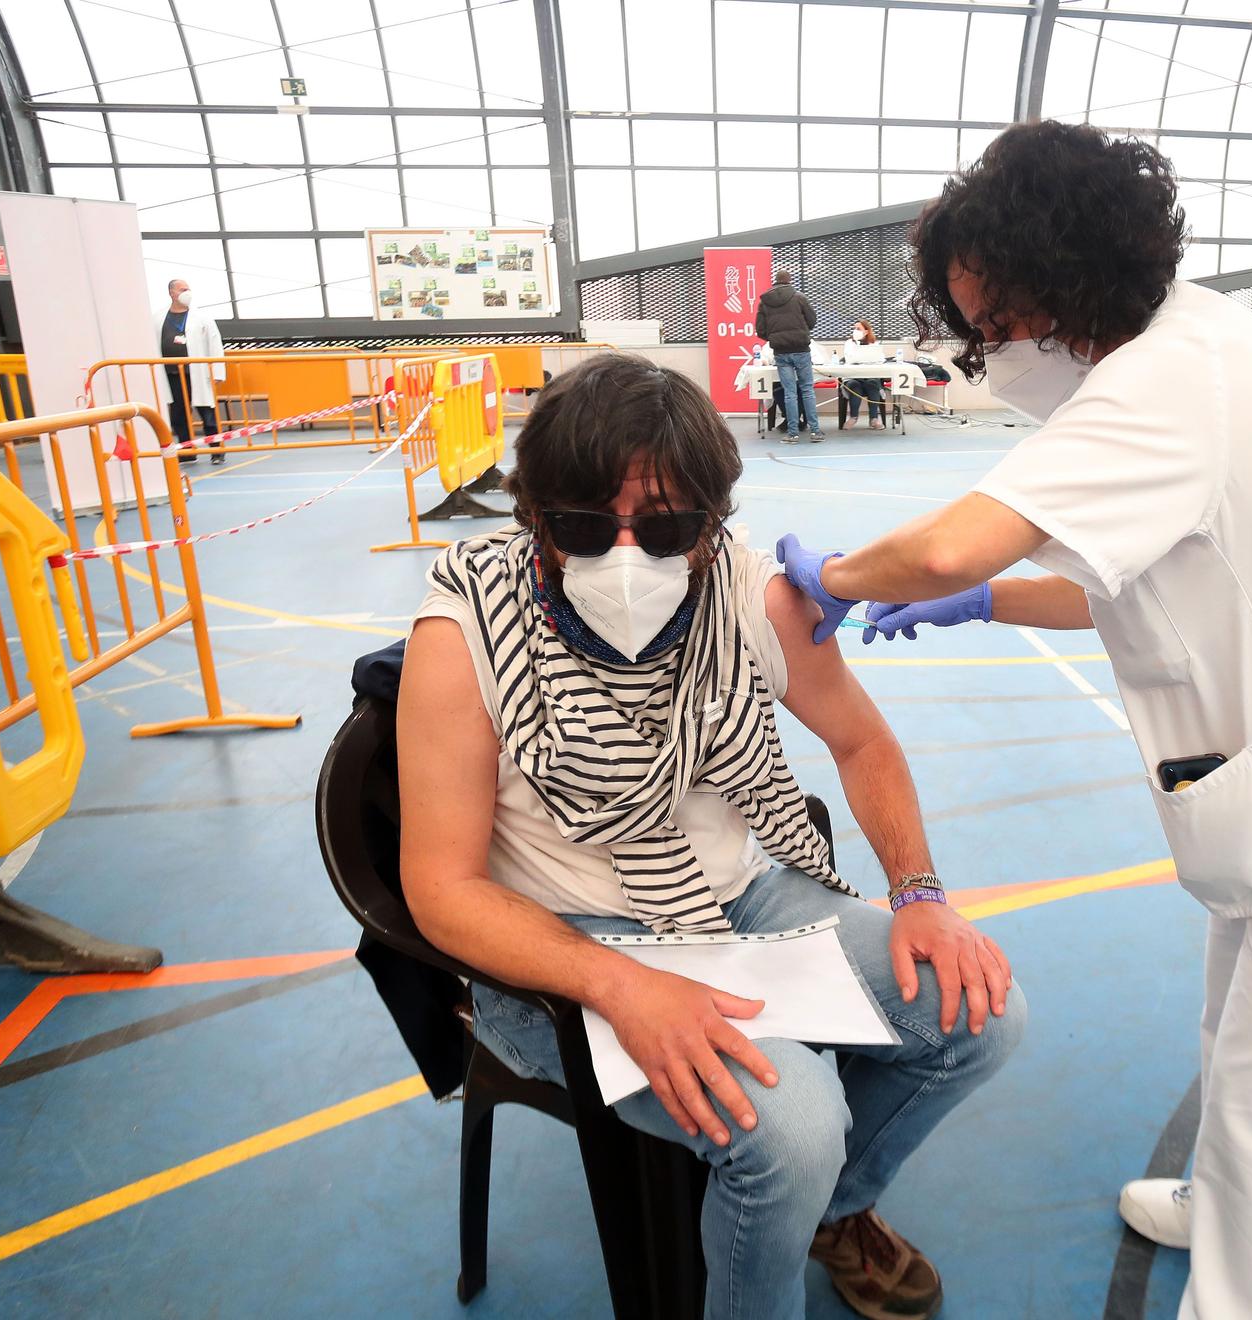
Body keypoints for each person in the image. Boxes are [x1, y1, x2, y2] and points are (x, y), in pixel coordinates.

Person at [773, 121, 1252, 1319]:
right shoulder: (1186, 346)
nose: (989, 351)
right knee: (1238, 1039)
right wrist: (986, 603)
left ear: (1067, 283)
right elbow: (1125, 580)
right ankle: (1217, 1198)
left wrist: (842, 578)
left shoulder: (1167, 379)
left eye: (999, 323)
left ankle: (1246, 1278)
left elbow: (952, 536)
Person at [396, 356, 1024, 1320]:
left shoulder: (754, 597)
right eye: (580, 527)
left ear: (713, 524)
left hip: (735, 900)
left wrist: (919, 895)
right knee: (794, 1127)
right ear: (532, 519)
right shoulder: (465, 627)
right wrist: (624, 984)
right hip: (564, 941)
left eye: (666, 529)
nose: (625, 559)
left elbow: (862, 741)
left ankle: (826, 1210)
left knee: (979, 1012)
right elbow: (441, 888)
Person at [155, 278, 225, 465]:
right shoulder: (158, 318)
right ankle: (187, 451)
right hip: (171, 375)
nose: (187, 292)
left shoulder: (202, 318)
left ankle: (217, 450)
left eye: (188, 289)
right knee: (178, 415)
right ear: (171, 293)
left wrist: (217, 372)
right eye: (182, 289)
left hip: (198, 374)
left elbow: (215, 345)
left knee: (207, 413)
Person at [757, 271, 824, 442]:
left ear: (775, 281)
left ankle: (792, 433)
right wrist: (801, 333)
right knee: (807, 390)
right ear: (789, 281)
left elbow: (760, 329)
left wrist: (774, 338)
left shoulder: (765, 301)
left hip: (780, 351)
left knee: (789, 393)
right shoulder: (799, 297)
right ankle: (815, 432)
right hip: (801, 349)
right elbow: (812, 320)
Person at [840, 320, 889, 429]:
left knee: (873, 383)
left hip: (870, 377)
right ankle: (853, 418)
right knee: (855, 385)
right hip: (852, 377)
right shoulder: (849, 343)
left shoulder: (874, 344)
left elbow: (880, 359)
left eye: (858, 329)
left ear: (866, 331)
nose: (855, 331)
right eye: (854, 328)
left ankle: (874, 419)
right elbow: (850, 358)